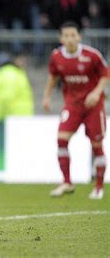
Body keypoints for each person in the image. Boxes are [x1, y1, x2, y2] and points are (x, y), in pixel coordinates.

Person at [43, 21, 108, 200]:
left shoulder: (92, 55)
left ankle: (99, 187)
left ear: (79, 37)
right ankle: (67, 182)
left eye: (73, 35)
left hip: (94, 106)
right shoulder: (56, 56)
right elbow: (53, 76)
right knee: (61, 139)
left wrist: (96, 92)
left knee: (96, 145)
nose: (70, 39)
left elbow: (105, 74)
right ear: (61, 38)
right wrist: (47, 96)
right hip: (72, 104)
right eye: (66, 36)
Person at [0, 52, 34, 120]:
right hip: (15, 118)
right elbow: (6, 97)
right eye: (22, 59)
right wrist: (4, 119)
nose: (24, 62)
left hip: (17, 117)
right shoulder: (10, 74)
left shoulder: (14, 72)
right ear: (15, 59)